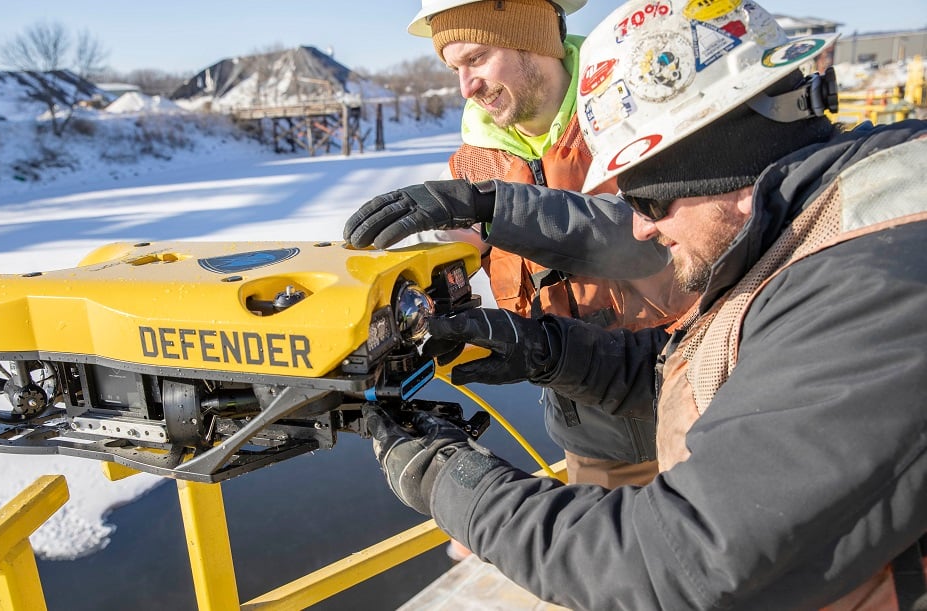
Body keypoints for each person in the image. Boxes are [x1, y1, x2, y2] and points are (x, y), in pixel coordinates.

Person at [357, 0, 927, 608]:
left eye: (648, 200)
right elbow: (722, 365)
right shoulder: (799, 232)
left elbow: (671, 563)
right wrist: (547, 352)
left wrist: (448, 481)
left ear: (721, 167)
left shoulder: (872, 285)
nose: (637, 230)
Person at [352, 0, 696, 492]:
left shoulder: (639, 106)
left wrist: (495, 207)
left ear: (533, 39)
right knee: (612, 561)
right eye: (454, 69)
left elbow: (659, 236)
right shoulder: (474, 164)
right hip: (591, 436)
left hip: (698, 398)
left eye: (476, 58)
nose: (466, 87)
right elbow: (467, 259)